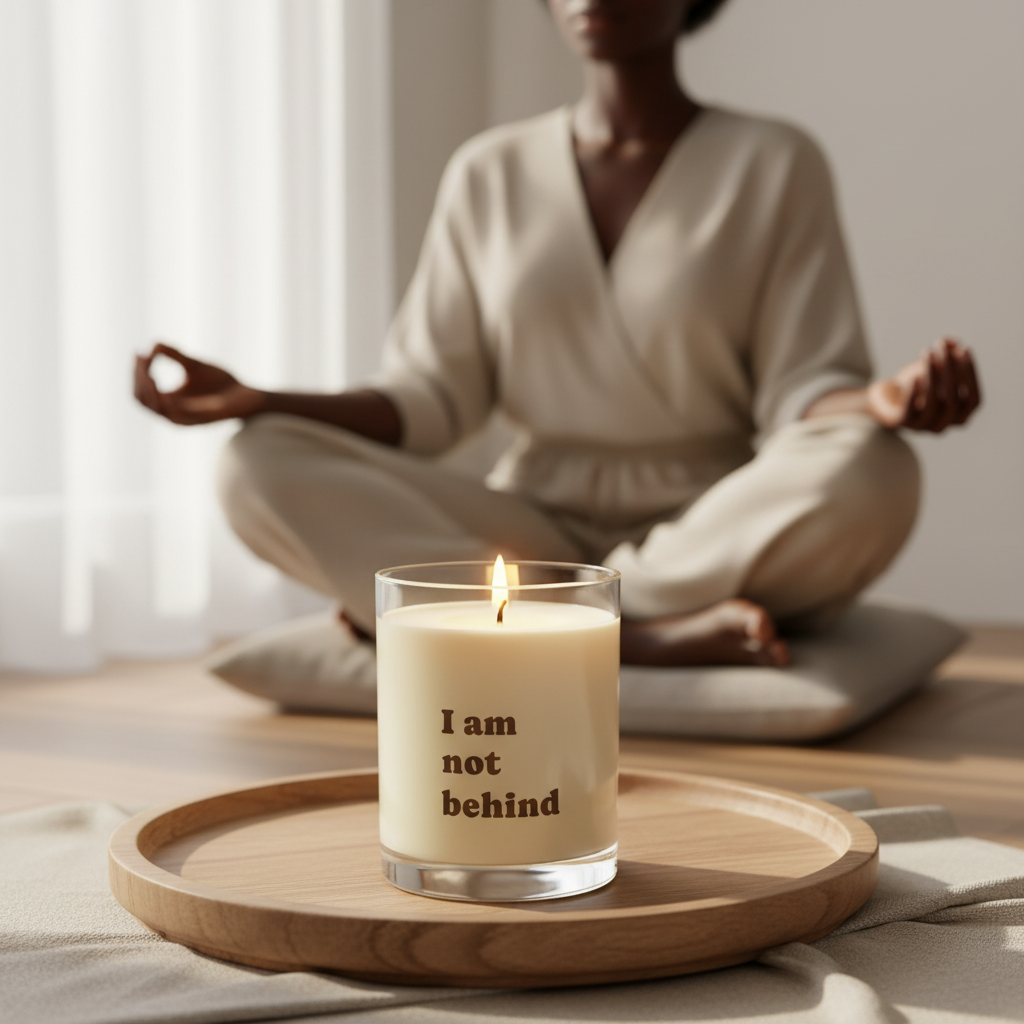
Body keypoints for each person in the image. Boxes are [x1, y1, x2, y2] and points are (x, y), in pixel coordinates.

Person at [134, 0, 980, 672]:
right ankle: (632, 636)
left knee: (875, 469)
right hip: (527, 534)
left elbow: (804, 392)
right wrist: (261, 399)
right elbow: (430, 399)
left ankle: (524, 626)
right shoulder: (488, 171)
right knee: (257, 460)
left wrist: (884, 401)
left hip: (714, 530)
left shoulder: (773, 161)